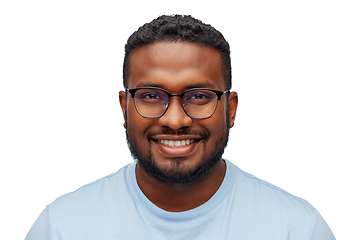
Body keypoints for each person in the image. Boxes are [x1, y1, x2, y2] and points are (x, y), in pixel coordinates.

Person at [25, 15, 335, 240]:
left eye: (199, 96)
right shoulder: (61, 228)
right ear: (125, 107)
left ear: (230, 109)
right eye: (150, 96)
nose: (175, 120)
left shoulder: (296, 229)